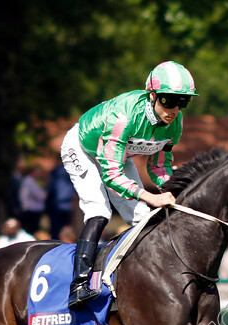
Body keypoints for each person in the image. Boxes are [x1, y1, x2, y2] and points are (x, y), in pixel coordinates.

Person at [61, 60, 196, 309]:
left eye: (182, 102)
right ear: (152, 95)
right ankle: (78, 285)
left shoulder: (175, 123)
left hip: (117, 156)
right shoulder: (124, 115)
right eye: (168, 100)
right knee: (99, 210)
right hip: (82, 150)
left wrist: (177, 190)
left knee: (143, 218)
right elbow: (111, 175)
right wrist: (150, 195)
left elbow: (158, 167)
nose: (175, 109)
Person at [46, 162, 76, 240]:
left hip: (57, 204)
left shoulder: (56, 171)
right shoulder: (71, 169)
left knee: (56, 227)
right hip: (67, 204)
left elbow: (51, 187)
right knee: (66, 226)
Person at [18, 165, 47, 234]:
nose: (39, 174)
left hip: (31, 210)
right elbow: (40, 196)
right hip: (31, 210)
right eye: (37, 172)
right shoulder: (30, 182)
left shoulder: (30, 181)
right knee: (32, 231)